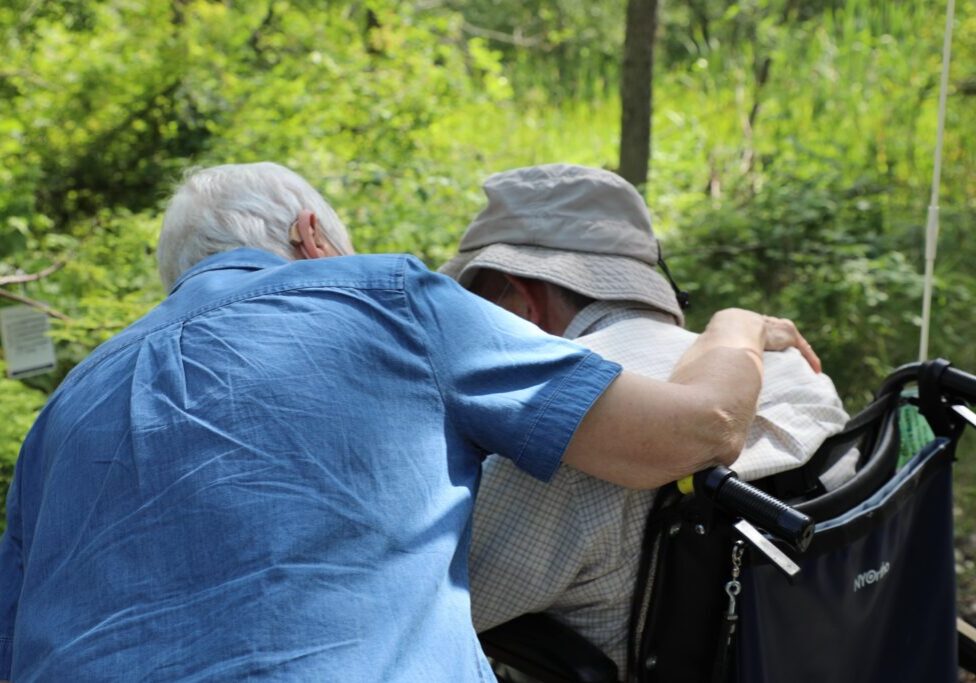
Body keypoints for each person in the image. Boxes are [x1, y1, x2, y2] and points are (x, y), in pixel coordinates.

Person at [0, 162, 813, 682]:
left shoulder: (66, 409)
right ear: (314, 239)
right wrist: (738, 325)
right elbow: (697, 426)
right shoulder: (382, 295)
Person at [440, 163, 853, 677]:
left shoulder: (559, 430)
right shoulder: (791, 372)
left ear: (522, 303)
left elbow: (427, 608)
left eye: (472, 305)